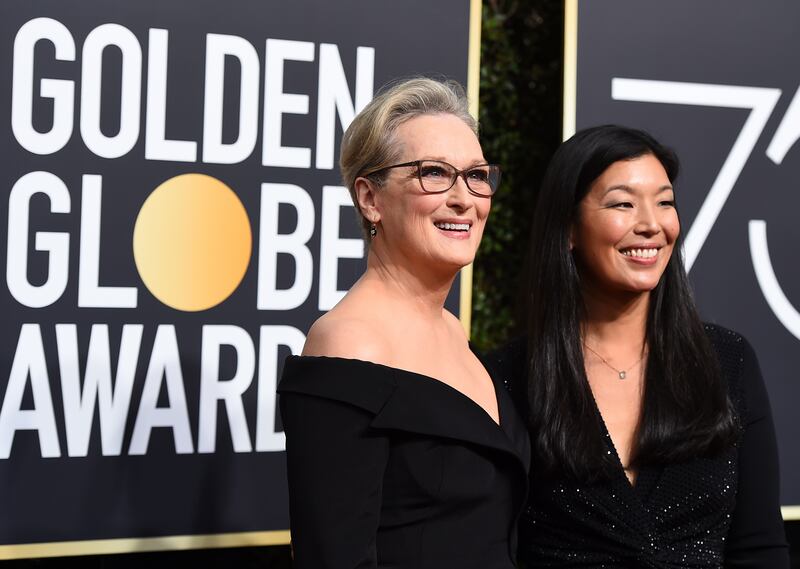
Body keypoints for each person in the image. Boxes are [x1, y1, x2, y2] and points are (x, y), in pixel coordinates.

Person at [501, 125, 789, 567]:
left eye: (665, 202)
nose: (652, 225)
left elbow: (759, 548)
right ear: (569, 228)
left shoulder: (727, 362)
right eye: (622, 203)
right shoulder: (507, 377)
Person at [277, 78, 530, 569]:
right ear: (371, 199)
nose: (464, 198)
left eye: (477, 175)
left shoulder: (455, 331)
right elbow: (335, 557)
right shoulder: (349, 343)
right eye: (433, 173)